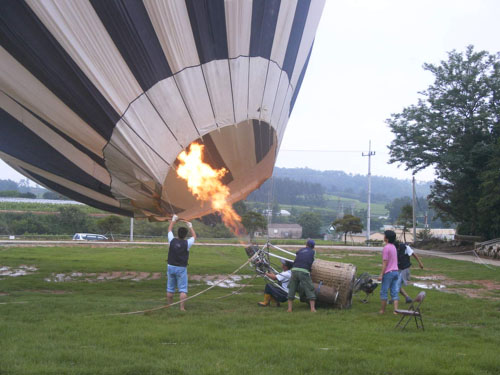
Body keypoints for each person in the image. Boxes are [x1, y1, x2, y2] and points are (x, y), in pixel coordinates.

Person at [166, 214, 196, 311]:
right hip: (181, 268)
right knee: (182, 289)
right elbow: (195, 236)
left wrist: (173, 220)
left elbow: (169, 230)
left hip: (170, 266)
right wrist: (190, 226)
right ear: (185, 235)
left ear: (177, 234)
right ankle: (182, 308)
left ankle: (169, 306)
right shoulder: (187, 243)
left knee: (170, 288)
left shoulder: (172, 240)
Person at [287, 239, 317, 313]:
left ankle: (289, 309)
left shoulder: (301, 250)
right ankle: (312, 309)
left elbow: (298, 255)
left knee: (292, 288)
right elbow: (312, 261)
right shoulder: (313, 252)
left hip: (294, 270)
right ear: (313, 246)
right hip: (304, 271)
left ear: (306, 245)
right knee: (309, 288)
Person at [378, 230, 399, 314]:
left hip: (389, 273)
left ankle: (382, 310)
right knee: (394, 291)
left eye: (384, 235)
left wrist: (381, 275)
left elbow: (385, 263)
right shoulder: (393, 247)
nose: (383, 237)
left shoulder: (386, 248)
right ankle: (396, 310)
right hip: (395, 272)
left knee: (384, 291)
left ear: (386, 238)